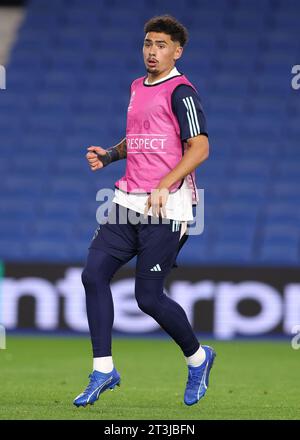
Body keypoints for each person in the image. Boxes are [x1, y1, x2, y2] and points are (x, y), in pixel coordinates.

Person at [73, 15, 215, 408]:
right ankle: (103, 370)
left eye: (161, 45)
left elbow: (199, 148)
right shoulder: (138, 86)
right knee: (92, 275)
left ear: (177, 51)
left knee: (148, 299)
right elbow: (140, 137)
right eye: (148, 44)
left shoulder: (182, 92)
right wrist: (112, 153)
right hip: (127, 202)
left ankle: (199, 359)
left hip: (167, 208)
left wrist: (166, 184)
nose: (152, 51)